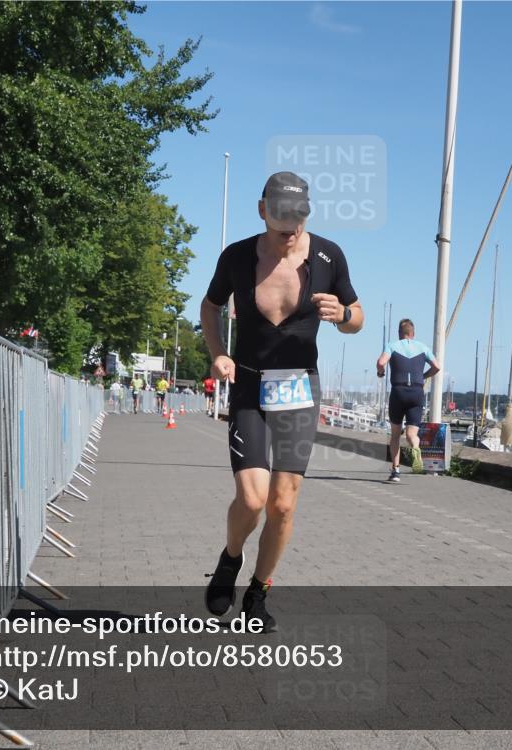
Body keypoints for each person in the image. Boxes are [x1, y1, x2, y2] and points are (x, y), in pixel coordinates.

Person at [200, 171, 364, 631]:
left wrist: (344, 314)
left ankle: (258, 593)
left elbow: (359, 318)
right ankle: (230, 560)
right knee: (252, 501)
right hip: (251, 385)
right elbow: (209, 306)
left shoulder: (329, 255)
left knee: (284, 504)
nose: (290, 231)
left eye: (297, 220)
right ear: (262, 212)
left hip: (298, 389)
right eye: (280, 222)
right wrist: (218, 354)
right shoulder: (236, 256)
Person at [376, 319, 440, 483]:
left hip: (399, 392)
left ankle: (395, 471)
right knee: (412, 434)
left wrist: (381, 372)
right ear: (413, 333)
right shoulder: (423, 347)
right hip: (417, 392)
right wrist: (424, 376)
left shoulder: (392, 345)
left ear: (400, 333)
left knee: (396, 435)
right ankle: (416, 448)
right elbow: (437, 366)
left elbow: (381, 362)